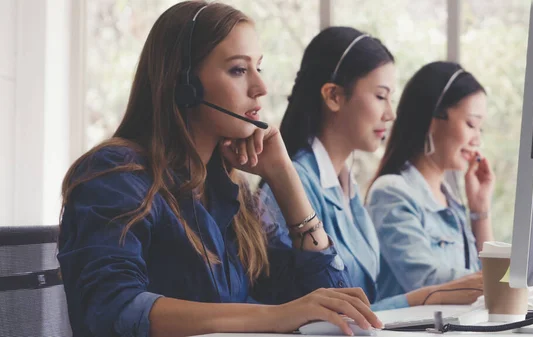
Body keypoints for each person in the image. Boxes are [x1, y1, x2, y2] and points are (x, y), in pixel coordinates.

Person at [57, 2, 382, 337]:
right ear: (185, 85)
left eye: (259, 67)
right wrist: (274, 317)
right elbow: (114, 309)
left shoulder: (227, 189)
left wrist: (284, 177)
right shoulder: (117, 175)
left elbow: (335, 307)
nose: (261, 87)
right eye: (239, 70)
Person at [259, 28, 483, 311]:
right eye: (380, 96)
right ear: (334, 96)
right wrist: (430, 295)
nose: (390, 114)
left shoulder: (347, 190)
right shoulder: (291, 188)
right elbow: (322, 318)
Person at [366, 61, 494, 301]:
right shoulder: (392, 193)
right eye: (471, 124)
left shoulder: (451, 203)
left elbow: (482, 279)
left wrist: (480, 210)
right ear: (432, 119)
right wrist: (503, 282)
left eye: (480, 129)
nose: (477, 139)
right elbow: (427, 282)